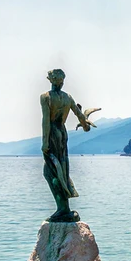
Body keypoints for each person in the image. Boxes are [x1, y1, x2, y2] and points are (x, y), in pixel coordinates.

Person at [40, 69, 96, 223]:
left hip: (52, 134)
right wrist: (85, 125)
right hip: (63, 134)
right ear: (61, 80)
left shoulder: (46, 97)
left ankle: (62, 209)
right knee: (62, 170)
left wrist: (45, 142)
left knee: (50, 172)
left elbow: (46, 121)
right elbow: (80, 116)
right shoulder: (67, 97)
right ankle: (64, 208)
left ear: (50, 79)